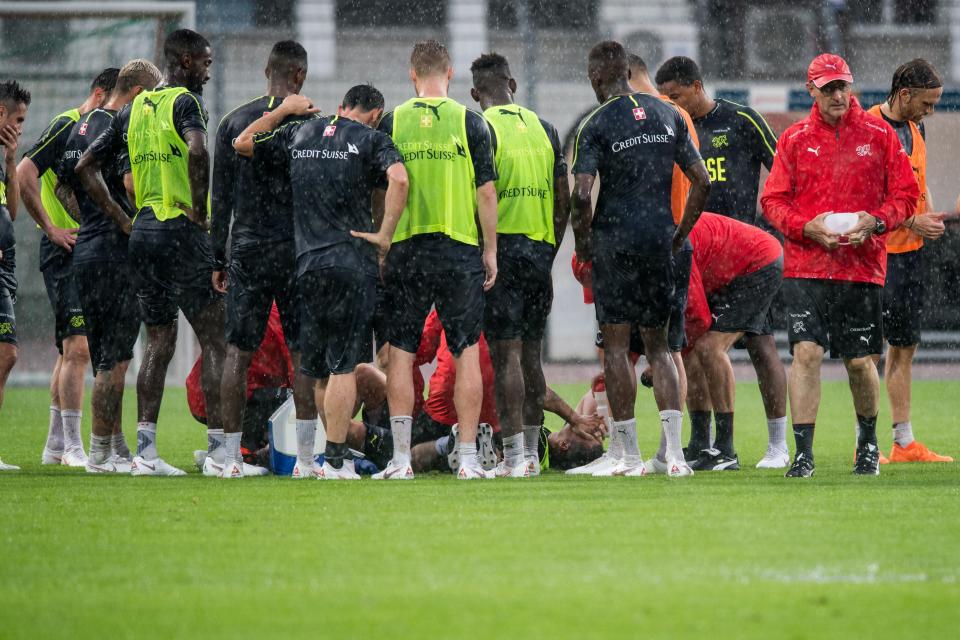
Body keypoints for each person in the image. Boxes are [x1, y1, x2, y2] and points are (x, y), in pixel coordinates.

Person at [235, 84, 407, 480]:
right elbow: (398, 180)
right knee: (344, 366)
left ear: (343, 106)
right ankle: (335, 460)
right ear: (375, 114)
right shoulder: (372, 139)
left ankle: (307, 462)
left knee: (311, 368)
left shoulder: (301, 132)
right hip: (350, 264)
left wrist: (282, 111)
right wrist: (384, 235)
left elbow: (243, 142)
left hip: (307, 266)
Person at [77, 29, 229, 477]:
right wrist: (201, 211)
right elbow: (198, 150)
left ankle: (146, 453)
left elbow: (85, 166)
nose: (208, 68)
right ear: (182, 61)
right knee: (215, 337)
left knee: (159, 342)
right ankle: (220, 453)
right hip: (181, 229)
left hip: (143, 233)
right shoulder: (186, 102)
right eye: (203, 60)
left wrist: (125, 219)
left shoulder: (133, 110)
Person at [761, 53, 918, 477]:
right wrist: (805, 228)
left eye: (842, 85)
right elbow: (772, 201)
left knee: (858, 361)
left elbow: (907, 193)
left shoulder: (879, 135)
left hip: (860, 266)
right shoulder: (793, 139)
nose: (837, 94)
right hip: (806, 267)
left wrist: (878, 220)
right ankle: (804, 453)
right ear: (810, 89)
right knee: (806, 353)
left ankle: (868, 445)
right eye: (828, 87)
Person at [570, 40, 709, 477]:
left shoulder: (595, 122)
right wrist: (680, 233)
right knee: (660, 347)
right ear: (627, 74)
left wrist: (583, 245)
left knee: (615, 346)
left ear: (596, 78)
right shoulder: (667, 113)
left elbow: (579, 193)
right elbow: (702, 181)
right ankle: (674, 456)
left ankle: (625, 455)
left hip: (616, 243)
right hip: (659, 240)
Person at [655, 55, 789, 468]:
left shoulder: (742, 121)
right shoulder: (672, 128)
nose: (672, 104)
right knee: (697, 347)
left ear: (697, 86)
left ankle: (777, 444)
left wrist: (786, 225)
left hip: (742, 252)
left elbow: (784, 174)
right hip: (701, 250)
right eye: (665, 99)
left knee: (761, 345)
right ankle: (705, 444)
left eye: (676, 96)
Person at [375, 40, 499, 480]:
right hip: (458, 247)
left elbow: (383, 188)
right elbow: (486, 192)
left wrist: (383, 244)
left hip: (408, 247)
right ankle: (467, 458)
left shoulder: (393, 120)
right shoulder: (472, 122)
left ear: (412, 75)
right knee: (466, 352)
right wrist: (490, 250)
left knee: (402, 355)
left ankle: (401, 459)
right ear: (450, 74)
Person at [212, 40, 320, 478]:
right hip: (294, 249)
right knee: (302, 353)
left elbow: (219, 199)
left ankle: (229, 458)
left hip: (249, 247)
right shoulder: (307, 122)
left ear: (266, 69)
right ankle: (309, 460)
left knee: (237, 352)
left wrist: (216, 257)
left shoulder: (233, 120)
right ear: (299, 76)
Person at [57, 60, 163, 473]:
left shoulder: (80, 125)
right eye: (149, 99)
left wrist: (89, 223)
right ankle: (100, 453)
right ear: (137, 94)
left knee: (105, 356)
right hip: (115, 253)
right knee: (115, 360)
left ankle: (112, 447)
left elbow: (66, 182)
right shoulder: (117, 126)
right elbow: (131, 183)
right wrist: (123, 220)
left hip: (88, 252)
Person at [469, 52, 570, 478]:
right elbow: (563, 197)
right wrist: (550, 247)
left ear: (476, 94)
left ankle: (513, 457)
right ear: (512, 84)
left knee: (505, 355)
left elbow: (480, 195)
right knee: (532, 358)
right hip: (539, 250)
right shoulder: (545, 128)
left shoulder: (481, 128)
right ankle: (530, 451)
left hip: (501, 252)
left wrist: (483, 250)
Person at [18, 67, 118, 467]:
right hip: (64, 249)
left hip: (85, 249)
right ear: (98, 95)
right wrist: (51, 227)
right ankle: (75, 446)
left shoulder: (97, 134)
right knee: (78, 347)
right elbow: (25, 171)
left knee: (70, 349)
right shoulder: (69, 124)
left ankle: (56, 444)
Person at [866, 59, 952, 464]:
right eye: (928, 103)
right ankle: (865, 442)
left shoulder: (917, 128)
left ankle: (903, 442)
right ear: (904, 95)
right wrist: (911, 220)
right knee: (866, 354)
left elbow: (919, 181)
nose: (930, 111)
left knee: (904, 348)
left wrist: (930, 217)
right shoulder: (866, 128)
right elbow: (862, 197)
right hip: (875, 257)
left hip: (910, 253)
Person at [669, 212, 783, 472]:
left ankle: (725, 449)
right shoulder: (668, 236)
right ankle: (700, 443)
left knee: (709, 347)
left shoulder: (675, 246)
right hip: (739, 265)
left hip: (760, 263)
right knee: (690, 351)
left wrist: (671, 352)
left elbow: (698, 317)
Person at [0, 81, 30, 471]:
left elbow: (12, 213)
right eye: (18, 120)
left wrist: (10, 161)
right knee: (6, 353)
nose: (21, 127)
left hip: (4, 268)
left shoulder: (1, 157)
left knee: (5, 355)